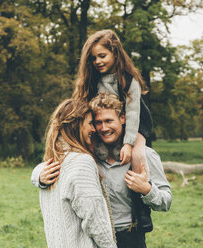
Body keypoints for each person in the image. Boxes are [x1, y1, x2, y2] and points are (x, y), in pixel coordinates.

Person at [32, 93, 172, 248]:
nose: (104, 128)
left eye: (108, 121)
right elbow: (62, 161)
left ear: (122, 119)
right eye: (98, 122)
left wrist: (147, 190)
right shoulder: (88, 154)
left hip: (131, 237)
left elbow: (166, 202)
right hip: (95, 238)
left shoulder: (144, 155)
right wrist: (38, 175)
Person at [35, 98, 117, 248]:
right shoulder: (81, 162)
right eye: (90, 123)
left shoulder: (53, 162)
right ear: (76, 124)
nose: (94, 130)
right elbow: (95, 220)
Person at [72, 29, 152, 176]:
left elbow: (133, 114)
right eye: (93, 58)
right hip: (106, 123)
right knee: (89, 154)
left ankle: (141, 189)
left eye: (102, 56)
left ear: (115, 53)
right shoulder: (92, 80)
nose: (97, 62)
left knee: (137, 155)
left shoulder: (128, 81)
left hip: (136, 123)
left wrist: (128, 144)